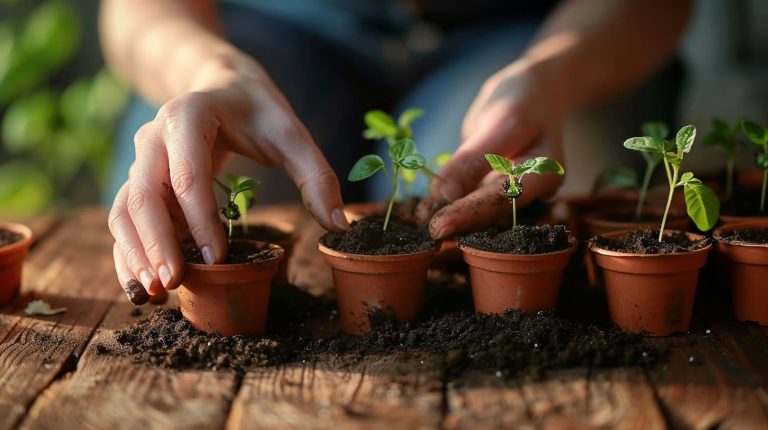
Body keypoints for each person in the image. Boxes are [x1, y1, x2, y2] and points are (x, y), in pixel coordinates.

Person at [101, 0, 692, 298]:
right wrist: (206, 70)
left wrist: (553, 76)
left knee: (457, 214)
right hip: (274, 26)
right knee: (195, 199)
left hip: (522, 31)